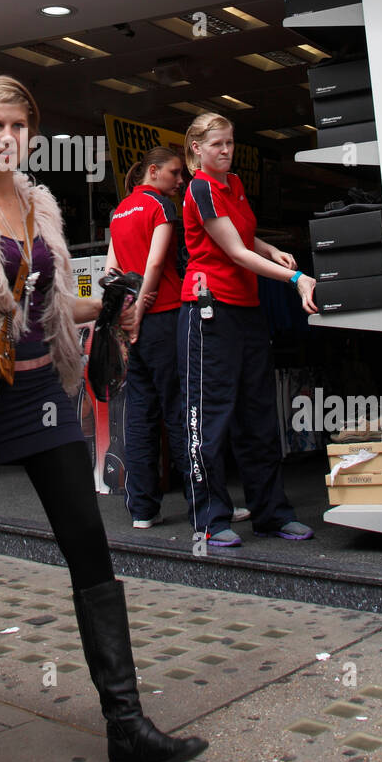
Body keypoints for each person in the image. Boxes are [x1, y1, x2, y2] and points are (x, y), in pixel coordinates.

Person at [0, 74, 208, 762]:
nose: (8, 139)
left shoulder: (39, 204)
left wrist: (106, 305)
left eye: (19, 127)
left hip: (44, 399)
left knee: (88, 545)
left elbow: (49, 304)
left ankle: (126, 727)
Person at [179, 112, 317, 548]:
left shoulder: (233, 185)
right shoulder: (199, 188)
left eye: (230, 143)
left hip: (248, 308)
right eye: (217, 144)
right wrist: (296, 280)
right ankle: (209, 518)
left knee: (258, 415)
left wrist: (273, 248)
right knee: (211, 415)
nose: (226, 150)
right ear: (197, 148)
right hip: (210, 310)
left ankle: (272, 513)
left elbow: (244, 237)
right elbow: (234, 252)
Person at [106, 148, 250, 529]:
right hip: (165, 317)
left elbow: (111, 270)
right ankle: (204, 506)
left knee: (139, 414)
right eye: (173, 173)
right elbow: (155, 262)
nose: (180, 180)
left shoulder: (119, 211)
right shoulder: (162, 207)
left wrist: (129, 308)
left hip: (133, 323)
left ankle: (142, 510)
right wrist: (141, 308)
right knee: (182, 412)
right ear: (153, 172)